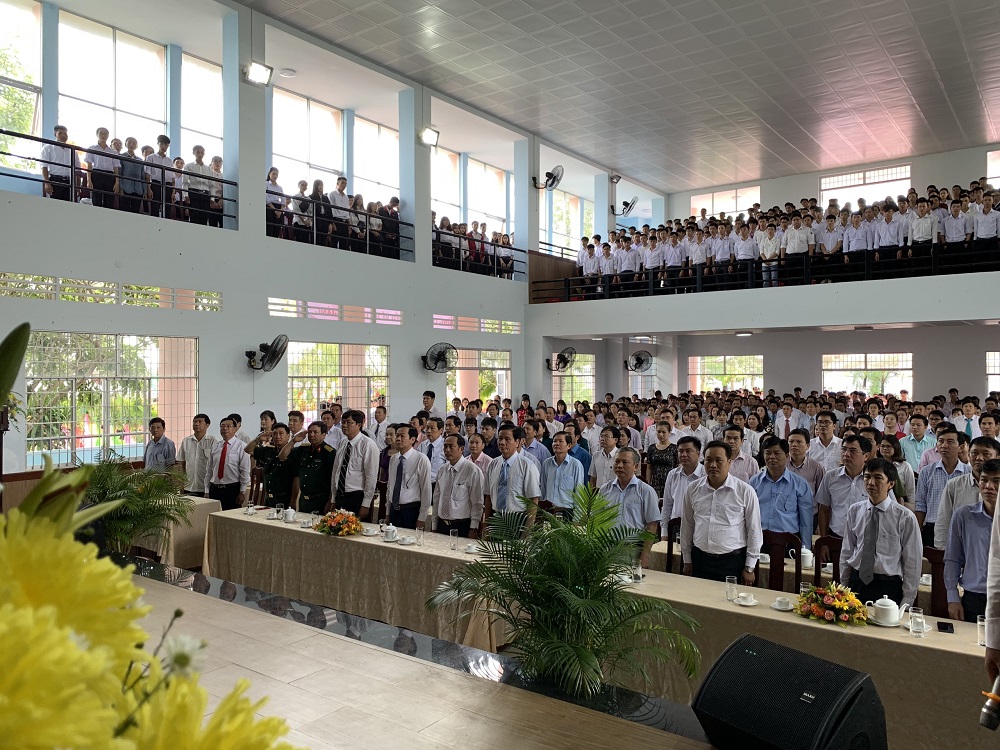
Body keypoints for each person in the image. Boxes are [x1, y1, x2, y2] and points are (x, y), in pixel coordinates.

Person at [840, 457, 922, 607]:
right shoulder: (855, 511)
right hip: (857, 581)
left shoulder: (905, 517)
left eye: (878, 478)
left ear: (891, 483)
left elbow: (912, 561)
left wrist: (907, 600)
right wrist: (843, 585)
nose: (871, 483)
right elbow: (847, 550)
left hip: (888, 585)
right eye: (867, 477)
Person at [680, 441, 763, 583]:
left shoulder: (745, 491)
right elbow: (687, 526)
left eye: (718, 460)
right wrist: (687, 560)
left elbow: (754, 530)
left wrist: (749, 567)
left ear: (729, 462)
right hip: (700, 559)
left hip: (732, 561)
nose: (713, 465)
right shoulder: (693, 489)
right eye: (708, 460)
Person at [946, 459, 1000, 622]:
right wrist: (952, 596)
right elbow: (953, 558)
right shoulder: (963, 515)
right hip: (973, 598)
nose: (989, 486)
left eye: (996, 481)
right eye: (984, 480)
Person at [934, 436, 1000, 548]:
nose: (979, 458)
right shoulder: (954, 485)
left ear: (998, 457)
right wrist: (942, 549)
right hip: (963, 550)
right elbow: (943, 521)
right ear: (968, 455)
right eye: (974, 453)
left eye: (986, 454)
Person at [598, 447, 660, 567]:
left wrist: (645, 555)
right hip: (607, 548)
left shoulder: (646, 491)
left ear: (636, 467)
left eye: (625, 462)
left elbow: (652, 525)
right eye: (617, 461)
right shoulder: (605, 489)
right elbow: (598, 520)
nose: (619, 466)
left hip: (632, 549)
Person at [750, 436, 813, 547]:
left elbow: (806, 521)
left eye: (777, 453)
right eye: (768, 453)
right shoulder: (754, 482)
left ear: (787, 456)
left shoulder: (800, 484)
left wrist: (806, 548)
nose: (772, 457)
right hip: (760, 539)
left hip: (789, 540)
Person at [916, 426, 970, 547]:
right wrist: (918, 530)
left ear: (961, 447)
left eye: (950, 442)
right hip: (932, 527)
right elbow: (920, 503)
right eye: (941, 441)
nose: (944, 446)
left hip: (962, 528)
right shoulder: (927, 471)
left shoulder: (969, 473)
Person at [816, 434, 871, 539]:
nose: (846, 454)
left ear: (866, 456)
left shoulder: (874, 480)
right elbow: (824, 510)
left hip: (865, 538)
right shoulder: (831, 477)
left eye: (853, 451)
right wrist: (824, 539)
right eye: (844, 449)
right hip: (836, 536)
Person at [484, 424, 541, 524]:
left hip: (517, 519)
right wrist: (486, 525)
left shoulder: (527, 465)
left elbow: (533, 500)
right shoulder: (493, 464)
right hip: (496, 518)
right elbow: (488, 497)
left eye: (507, 439)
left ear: (517, 442)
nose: (502, 442)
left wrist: (528, 529)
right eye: (500, 439)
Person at [328, 410, 379, 518]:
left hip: (357, 496)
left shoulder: (368, 444)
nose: (344, 425)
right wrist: (333, 498)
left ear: (359, 425)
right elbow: (335, 471)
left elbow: (371, 476)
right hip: (340, 495)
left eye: (349, 422)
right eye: (343, 422)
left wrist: (366, 504)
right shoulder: (342, 442)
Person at [432, 434, 484, 538]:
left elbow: (477, 503)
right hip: (442, 524)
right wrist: (434, 525)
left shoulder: (472, 471)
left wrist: (474, 528)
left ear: (461, 449)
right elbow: (436, 499)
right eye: (445, 446)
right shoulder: (442, 470)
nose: (447, 450)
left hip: (462, 525)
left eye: (451, 446)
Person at [385, 424, 432, 530]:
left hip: (410, 510)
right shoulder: (394, 459)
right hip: (393, 509)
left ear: (412, 439)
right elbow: (390, 486)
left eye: (402, 436)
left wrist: (422, 518)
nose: (398, 439)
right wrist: (388, 512)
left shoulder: (421, 459)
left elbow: (426, 491)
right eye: (397, 435)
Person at [285, 421, 336, 514]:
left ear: (324, 435)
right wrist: (293, 441)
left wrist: (330, 501)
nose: (312, 435)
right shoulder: (303, 450)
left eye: (315, 432)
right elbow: (282, 456)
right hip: (303, 500)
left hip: (320, 500)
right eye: (309, 432)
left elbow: (333, 479)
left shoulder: (329, 453)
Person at [205, 416, 250, 510]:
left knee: (231, 516)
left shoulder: (242, 446)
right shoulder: (215, 446)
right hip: (215, 489)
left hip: (232, 489)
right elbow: (209, 470)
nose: (225, 428)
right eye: (222, 426)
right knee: (214, 516)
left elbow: (245, 471)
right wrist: (207, 490)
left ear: (235, 429)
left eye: (229, 426)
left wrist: (242, 492)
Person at [245, 422, 295, 508]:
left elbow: (296, 479)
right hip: (268, 497)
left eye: (281, 433)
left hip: (284, 497)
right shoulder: (268, 451)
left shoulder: (293, 453)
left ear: (288, 436)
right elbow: (248, 450)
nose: (277, 436)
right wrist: (258, 439)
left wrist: (293, 501)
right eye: (275, 434)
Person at [540, 431, 585, 520]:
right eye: (554, 441)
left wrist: (577, 518)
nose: (557, 444)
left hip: (567, 512)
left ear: (569, 445)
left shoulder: (576, 465)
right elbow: (543, 489)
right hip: (549, 511)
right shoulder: (547, 463)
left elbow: (579, 492)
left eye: (561, 441)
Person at [176, 413, 215, 495]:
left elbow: (215, 466)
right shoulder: (186, 441)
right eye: (194, 421)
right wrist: (181, 485)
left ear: (207, 425)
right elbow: (181, 464)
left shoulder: (213, 441)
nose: (196, 424)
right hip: (188, 487)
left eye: (200, 422)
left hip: (206, 488)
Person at [40, 124, 80, 202]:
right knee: (55, 205)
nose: (63, 135)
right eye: (60, 133)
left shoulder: (72, 150)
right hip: (55, 181)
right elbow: (44, 166)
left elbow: (77, 170)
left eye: (65, 133)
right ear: (55, 134)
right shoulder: (48, 147)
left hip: (69, 182)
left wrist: (78, 186)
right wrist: (47, 183)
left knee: (68, 205)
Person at [84, 127, 121, 209]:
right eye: (101, 133)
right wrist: (89, 180)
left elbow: (116, 169)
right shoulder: (92, 148)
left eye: (105, 134)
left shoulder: (113, 152)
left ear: (108, 136)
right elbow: (89, 166)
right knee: (96, 199)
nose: (103, 135)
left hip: (109, 175)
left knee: (109, 200)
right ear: (97, 134)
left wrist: (117, 182)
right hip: (96, 174)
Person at [787, 428, 825, 495]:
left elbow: (822, 495)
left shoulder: (817, 468)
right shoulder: (781, 465)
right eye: (791, 441)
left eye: (799, 442)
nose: (794, 445)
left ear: (807, 446)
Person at [645, 422, 678, 497]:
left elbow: (678, 466)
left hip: (670, 483)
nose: (660, 434)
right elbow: (649, 468)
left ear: (669, 433)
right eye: (659, 432)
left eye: (664, 432)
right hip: (655, 483)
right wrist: (648, 483)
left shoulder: (674, 448)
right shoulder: (651, 448)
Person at [183, 145, 214, 224]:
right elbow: (185, 182)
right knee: (194, 217)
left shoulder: (208, 168)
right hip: (193, 193)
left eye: (202, 152)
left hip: (205, 194)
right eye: (198, 152)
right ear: (194, 153)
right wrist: (185, 195)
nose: (200, 154)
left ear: (204, 154)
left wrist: (212, 198)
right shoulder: (188, 166)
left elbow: (211, 185)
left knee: (204, 217)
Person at [144, 135, 172, 217]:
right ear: (158, 144)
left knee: (168, 208)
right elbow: (147, 174)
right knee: (155, 207)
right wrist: (148, 188)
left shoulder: (169, 160)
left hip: (167, 185)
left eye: (166, 145)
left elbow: (172, 177)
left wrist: (173, 191)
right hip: (156, 184)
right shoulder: (151, 157)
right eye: (162, 144)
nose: (164, 147)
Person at [422, 416, 446, 486]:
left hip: (438, 484)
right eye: (427, 428)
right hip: (422, 482)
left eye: (432, 428)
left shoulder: (445, 446)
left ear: (441, 430)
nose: (429, 431)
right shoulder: (422, 445)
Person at [328, 176, 350, 248]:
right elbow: (330, 209)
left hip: (345, 222)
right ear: (337, 183)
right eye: (342, 183)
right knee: (334, 242)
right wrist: (332, 222)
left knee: (344, 244)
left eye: (345, 184)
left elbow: (347, 211)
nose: (344, 185)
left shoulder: (346, 197)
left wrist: (349, 224)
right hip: (336, 220)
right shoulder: (332, 194)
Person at [265, 167, 286, 237]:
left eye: (276, 174)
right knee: (269, 228)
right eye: (273, 174)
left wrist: (280, 210)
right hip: (269, 206)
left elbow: (283, 200)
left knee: (277, 228)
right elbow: (266, 198)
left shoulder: (279, 188)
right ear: (269, 174)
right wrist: (274, 210)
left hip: (278, 207)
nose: (275, 176)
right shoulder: (266, 184)